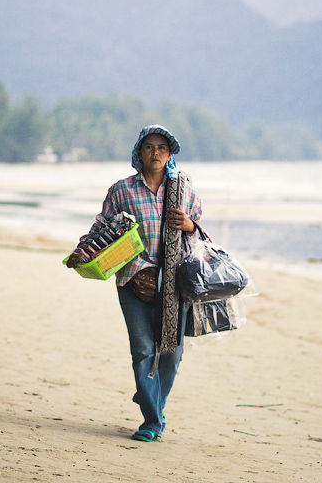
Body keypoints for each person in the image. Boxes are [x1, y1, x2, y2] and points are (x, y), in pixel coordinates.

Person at [66, 124, 202, 442]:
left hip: (174, 283)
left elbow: (199, 231)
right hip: (132, 279)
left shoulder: (184, 190)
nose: (155, 153)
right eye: (149, 147)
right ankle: (152, 420)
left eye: (161, 148)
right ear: (139, 152)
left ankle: (150, 397)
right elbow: (102, 226)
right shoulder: (122, 191)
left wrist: (189, 223)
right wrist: (80, 251)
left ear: (170, 154)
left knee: (172, 353)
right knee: (142, 349)